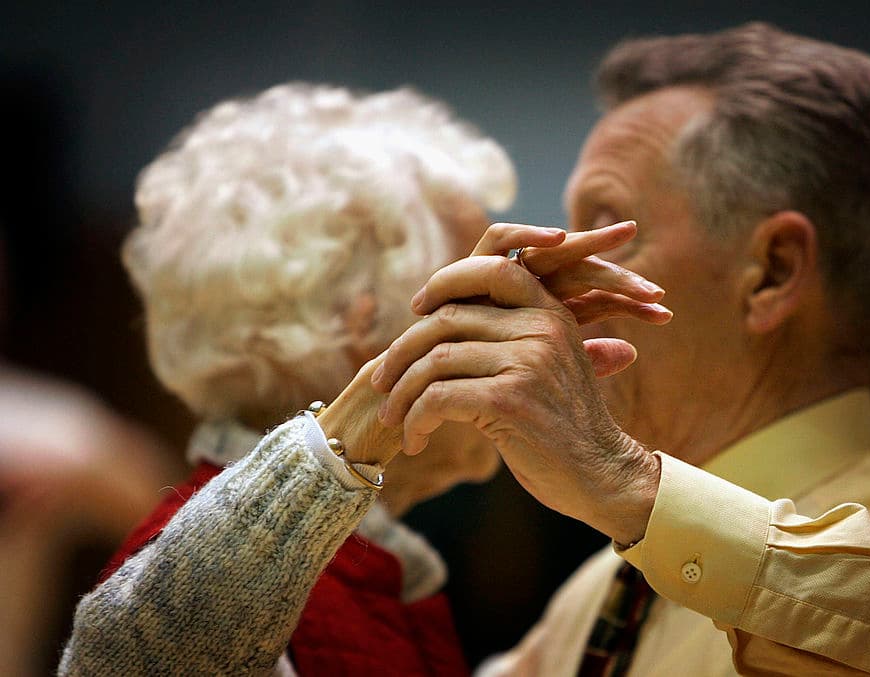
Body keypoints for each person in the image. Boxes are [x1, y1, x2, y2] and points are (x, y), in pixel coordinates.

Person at [370, 23, 870, 674]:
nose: (550, 281)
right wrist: (363, 466)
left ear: (771, 272)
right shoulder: (599, 590)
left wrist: (625, 485)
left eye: (605, 229)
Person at [59, 84, 669, 675]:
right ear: (362, 326)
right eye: (477, 291)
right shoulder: (203, 579)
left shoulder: (382, 570)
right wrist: (374, 410)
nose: (519, 316)